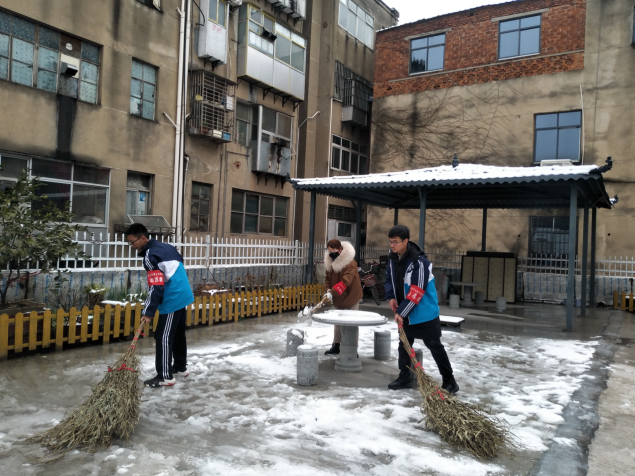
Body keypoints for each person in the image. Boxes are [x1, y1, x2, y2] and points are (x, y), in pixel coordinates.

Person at [384, 225, 459, 393]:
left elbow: (417, 291)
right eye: (390, 241)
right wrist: (391, 297)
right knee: (404, 344)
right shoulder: (392, 259)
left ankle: (450, 381)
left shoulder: (420, 263)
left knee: (434, 345)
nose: (392, 245)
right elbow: (388, 278)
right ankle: (405, 376)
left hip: (424, 313)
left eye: (395, 242)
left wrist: (401, 312)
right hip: (405, 312)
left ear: (405, 241)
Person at [125, 223, 195, 388]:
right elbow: (179, 262)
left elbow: (156, 286)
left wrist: (148, 311)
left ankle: (165, 376)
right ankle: (180, 367)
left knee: (163, 336)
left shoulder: (150, 256)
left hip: (173, 297)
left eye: (133, 242)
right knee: (177, 333)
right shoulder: (166, 247)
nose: (132, 246)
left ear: (143, 238)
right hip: (183, 293)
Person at [323, 239, 364, 355]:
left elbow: (346, 282)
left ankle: (352, 348)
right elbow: (327, 279)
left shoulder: (350, 263)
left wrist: (332, 292)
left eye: (334, 251)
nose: (332, 254)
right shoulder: (329, 262)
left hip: (351, 296)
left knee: (352, 323)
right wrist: (328, 291)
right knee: (338, 322)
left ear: (340, 249)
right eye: (329, 251)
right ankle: (336, 345)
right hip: (338, 296)